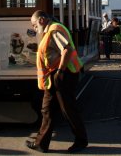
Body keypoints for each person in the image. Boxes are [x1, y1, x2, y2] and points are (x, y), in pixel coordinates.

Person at [25, 10, 88, 153]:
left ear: (41, 20)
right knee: (48, 109)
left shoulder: (54, 29)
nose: (34, 28)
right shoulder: (49, 31)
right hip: (57, 75)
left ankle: (81, 141)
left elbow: (67, 49)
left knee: (67, 109)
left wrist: (60, 72)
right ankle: (41, 143)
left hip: (63, 74)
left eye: (34, 25)